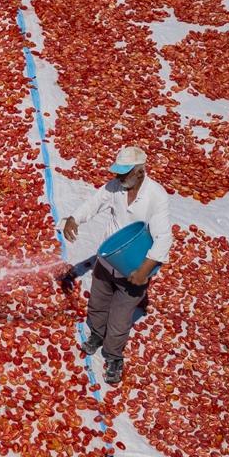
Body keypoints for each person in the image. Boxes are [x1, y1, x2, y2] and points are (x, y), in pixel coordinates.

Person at [61, 146, 172, 385]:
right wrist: (74, 218)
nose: (119, 178)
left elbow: (163, 237)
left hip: (134, 267)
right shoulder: (116, 186)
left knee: (121, 317)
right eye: (118, 173)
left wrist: (143, 271)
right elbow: (94, 203)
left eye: (124, 174)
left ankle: (113, 356)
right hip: (108, 260)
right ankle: (97, 335)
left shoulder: (156, 196)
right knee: (98, 302)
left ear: (140, 172)